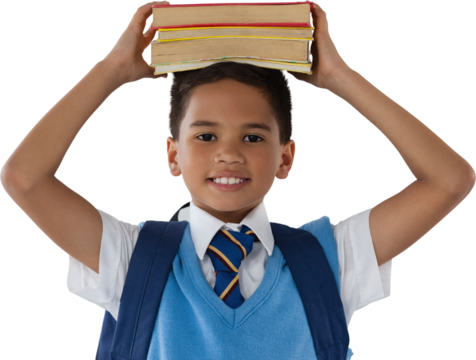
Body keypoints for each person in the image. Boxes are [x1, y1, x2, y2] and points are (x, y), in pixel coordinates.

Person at [1, 1, 474, 359]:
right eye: (205, 135)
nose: (228, 153)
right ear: (173, 154)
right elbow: (24, 179)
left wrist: (337, 75)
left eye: (252, 136)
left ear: (286, 158)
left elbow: (449, 180)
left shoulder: (326, 262)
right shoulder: (133, 259)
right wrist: (113, 70)